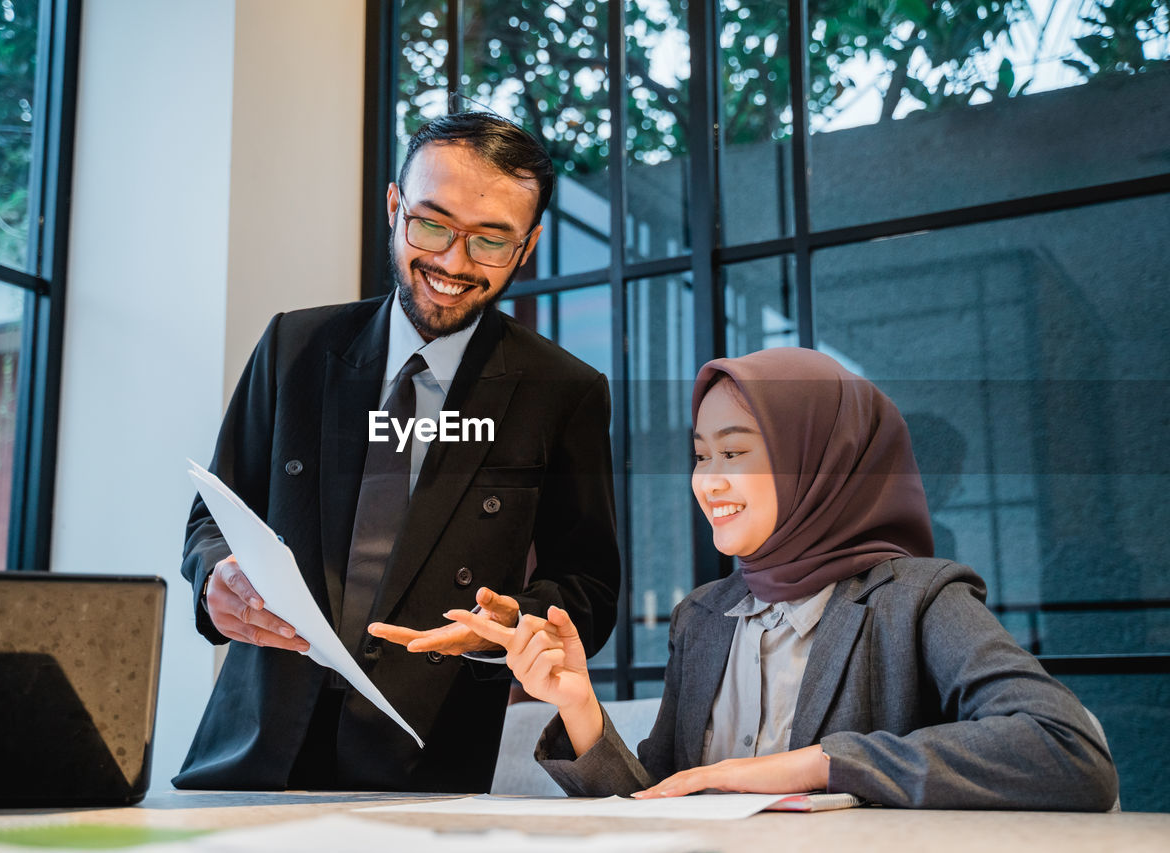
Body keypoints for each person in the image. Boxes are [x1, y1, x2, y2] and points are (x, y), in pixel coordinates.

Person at [447, 347, 1118, 810]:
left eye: (736, 452)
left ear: (822, 460)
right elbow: (657, 801)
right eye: (702, 455)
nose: (709, 481)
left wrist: (818, 766)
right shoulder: (702, 616)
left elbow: (1068, 749)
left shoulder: (916, 598)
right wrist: (579, 708)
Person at [173, 112, 621, 793]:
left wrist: (509, 621)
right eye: (432, 224)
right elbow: (214, 513)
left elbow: (588, 588)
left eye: (491, 241)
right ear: (394, 207)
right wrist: (215, 580)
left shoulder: (564, 392)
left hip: (424, 765)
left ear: (526, 247)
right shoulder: (294, 347)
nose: (452, 262)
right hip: (251, 753)